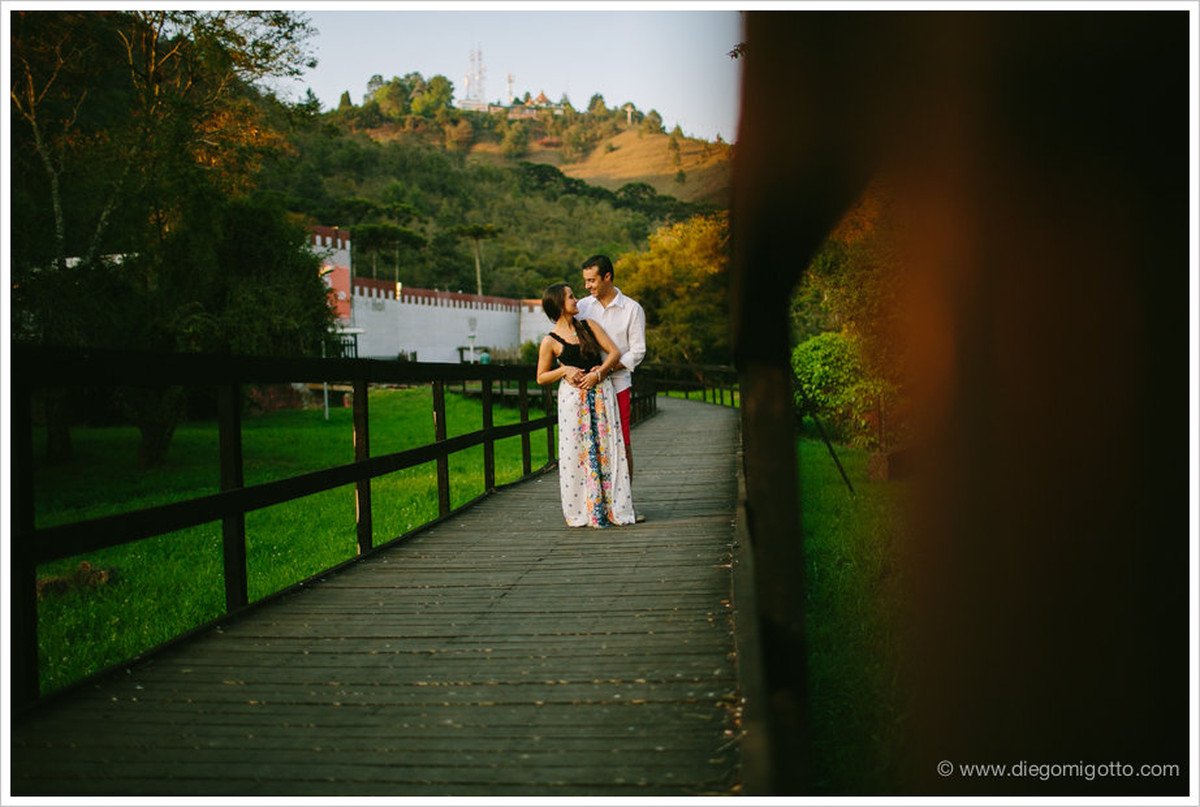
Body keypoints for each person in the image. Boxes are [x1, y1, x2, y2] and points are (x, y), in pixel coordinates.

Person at [536, 283, 634, 528]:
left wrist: (599, 373)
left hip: (601, 394)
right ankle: (585, 509)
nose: (576, 300)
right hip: (573, 403)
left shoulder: (589, 326)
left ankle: (613, 509)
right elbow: (540, 376)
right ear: (560, 304)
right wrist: (563, 370)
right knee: (576, 453)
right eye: (570, 297)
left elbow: (613, 352)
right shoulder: (550, 341)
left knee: (608, 449)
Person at [576, 254, 646, 520]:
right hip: (588, 387)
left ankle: (624, 505)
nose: (587, 286)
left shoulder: (631, 309)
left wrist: (605, 370)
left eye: (592, 280)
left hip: (617, 385)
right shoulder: (582, 307)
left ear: (607, 277)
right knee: (592, 443)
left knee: (622, 443)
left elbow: (638, 351)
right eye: (585, 281)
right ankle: (595, 505)